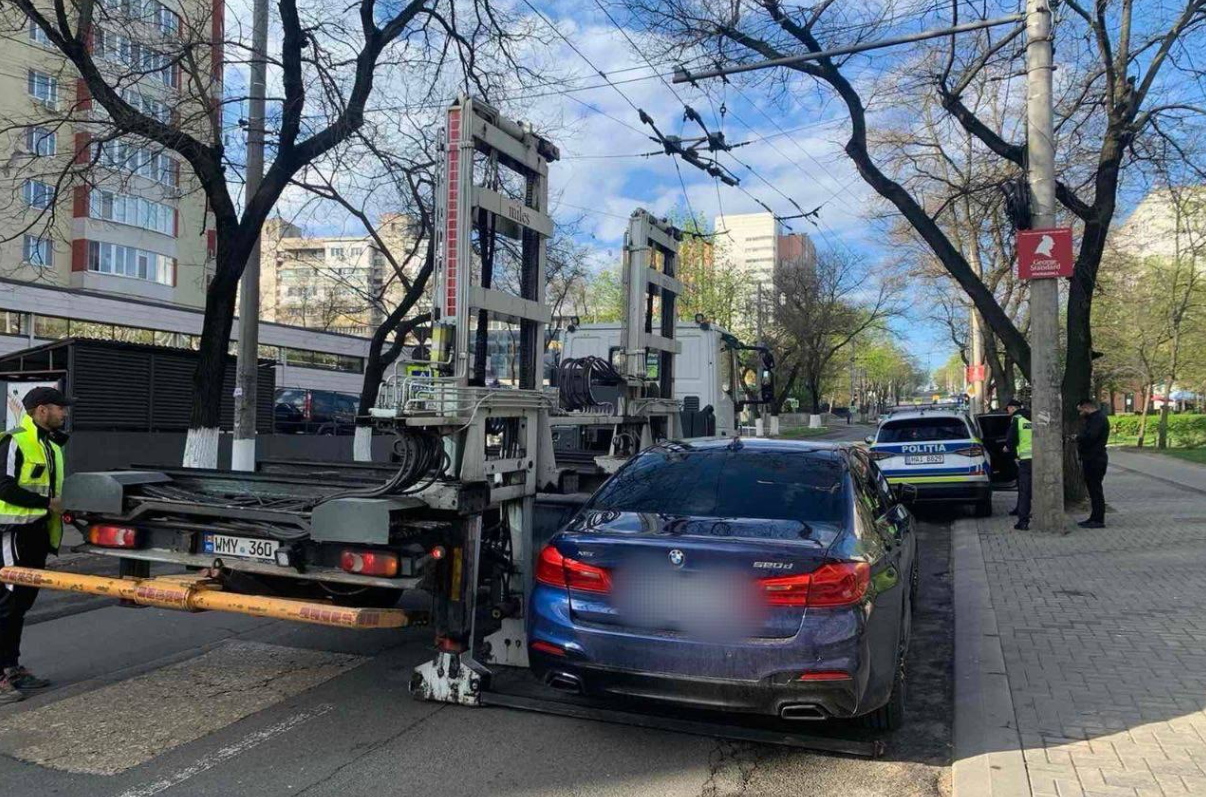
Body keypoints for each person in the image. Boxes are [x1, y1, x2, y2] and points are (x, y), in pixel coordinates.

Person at [0, 387, 72, 704]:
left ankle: (10, 667)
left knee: (20, 605)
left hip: (36, 535)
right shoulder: (15, 440)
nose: (65, 413)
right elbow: (2, 486)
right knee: (6, 604)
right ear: (41, 410)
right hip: (12, 533)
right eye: (60, 408)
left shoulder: (51, 445)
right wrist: (46, 504)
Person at [1076, 398, 1110, 529]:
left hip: (1095, 458)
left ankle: (1098, 519)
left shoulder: (1097, 419)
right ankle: (1094, 517)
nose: (1080, 414)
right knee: (1093, 489)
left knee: (1095, 489)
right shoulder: (1095, 419)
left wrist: (1078, 438)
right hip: (1093, 457)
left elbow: (1090, 437)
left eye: (1081, 411)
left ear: (1086, 407)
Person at [1003, 399, 1033, 530]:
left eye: (1008, 409)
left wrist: (1007, 448)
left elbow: (1012, 438)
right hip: (1040, 459)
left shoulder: (1017, 419)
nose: (1008, 412)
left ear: (1012, 408)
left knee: (1024, 490)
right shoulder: (1034, 416)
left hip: (1025, 459)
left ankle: (1023, 521)